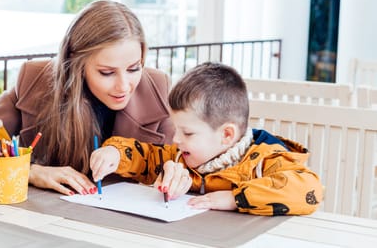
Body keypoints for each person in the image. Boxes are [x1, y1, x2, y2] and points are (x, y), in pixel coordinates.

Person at [0, 0, 175, 196]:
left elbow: (190, 166)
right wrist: (29, 172)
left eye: (134, 68)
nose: (124, 85)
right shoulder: (34, 81)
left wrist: (179, 174)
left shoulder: (157, 89)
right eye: (106, 72)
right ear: (77, 65)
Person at [90, 62, 323, 216]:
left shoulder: (266, 161)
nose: (176, 139)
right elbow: (145, 157)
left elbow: (310, 190)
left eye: (188, 133)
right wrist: (115, 154)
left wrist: (234, 198)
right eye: (177, 129)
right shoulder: (182, 156)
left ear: (226, 135)